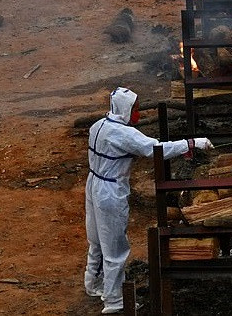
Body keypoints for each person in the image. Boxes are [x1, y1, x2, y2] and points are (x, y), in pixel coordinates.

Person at [84, 87, 213, 314]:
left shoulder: (98, 126)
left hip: (93, 184)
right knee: (115, 246)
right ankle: (114, 300)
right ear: (124, 110)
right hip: (110, 191)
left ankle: (93, 284)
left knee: (96, 239)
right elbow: (156, 149)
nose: (139, 114)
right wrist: (191, 143)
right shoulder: (124, 134)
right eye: (135, 109)